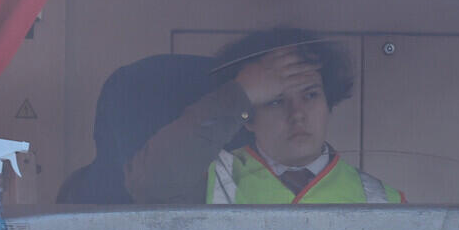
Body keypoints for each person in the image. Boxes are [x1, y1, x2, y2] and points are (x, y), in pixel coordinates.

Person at [125, 27, 402, 205]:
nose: (297, 114)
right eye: (276, 101)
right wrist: (240, 93)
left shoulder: (383, 200)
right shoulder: (211, 178)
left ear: (328, 103)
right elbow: (148, 185)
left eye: (310, 95)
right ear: (248, 117)